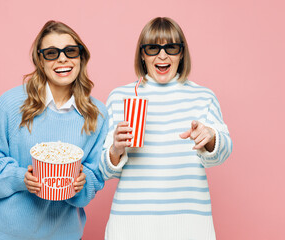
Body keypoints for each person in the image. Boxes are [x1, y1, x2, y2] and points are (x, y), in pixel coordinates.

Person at [0, 20, 108, 240]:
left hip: (64, 234)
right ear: (40, 60)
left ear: (81, 58)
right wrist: (21, 178)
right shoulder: (10, 104)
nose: (62, 58)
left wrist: (82, 183)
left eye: (70, 51)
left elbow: (94, 177)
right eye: (52, 53)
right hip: (5, 234)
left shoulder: (96, 114)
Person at [99, 17, 233, 240]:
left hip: (191, 225)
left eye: (171, 47)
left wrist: (210, 137)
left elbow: (223, 152)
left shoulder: (203, 97)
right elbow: (104, 170)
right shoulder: (120, 97)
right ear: (142, 54)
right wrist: (116, 149)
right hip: (130, 224)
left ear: (182, 53)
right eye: (153, 48)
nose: (162, 55)